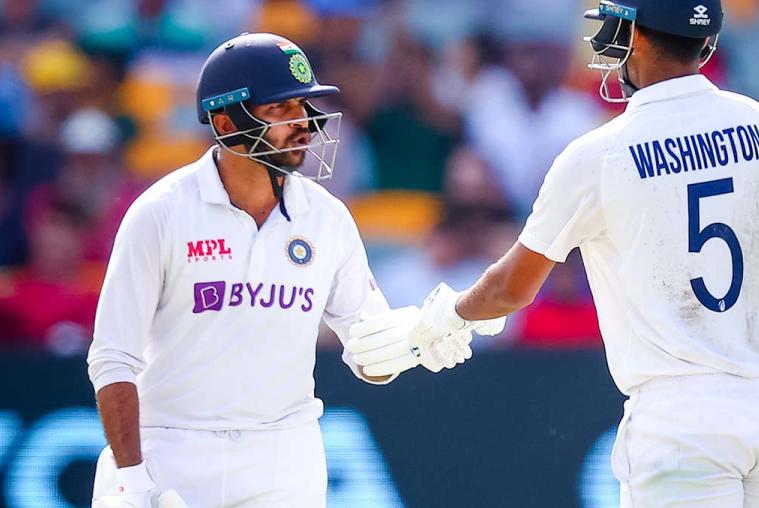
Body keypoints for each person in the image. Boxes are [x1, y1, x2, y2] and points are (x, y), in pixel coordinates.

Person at [347, 0, 759, 506]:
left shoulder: (598, 155)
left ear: (638, 36)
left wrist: (440, 320)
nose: (608, 44)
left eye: (616, 29)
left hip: (679, 424)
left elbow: (512, 288)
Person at [86, 32, 477, 508]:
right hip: (171, 449)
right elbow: (113, 358)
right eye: (280, 109)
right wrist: (130, 477)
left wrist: (413, 342)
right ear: (226, 121)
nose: (304, 125)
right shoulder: (161, 213)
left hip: (284, 456)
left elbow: (367, 356)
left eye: (302, 106)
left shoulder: (327, 218)